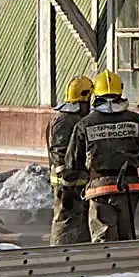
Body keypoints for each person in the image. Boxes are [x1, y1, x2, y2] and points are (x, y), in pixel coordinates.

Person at [63, 70, 139, 242]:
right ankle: (127, 259)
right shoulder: (136, 121)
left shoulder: (84, 125)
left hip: (100, 189)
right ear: (120, 91)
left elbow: (73, 163)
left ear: (96, 93)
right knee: (126, 239)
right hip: (130, 188)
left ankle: (107, 259)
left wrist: (67, 191)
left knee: (104, 241)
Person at [47, 75, 93, 245]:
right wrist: (67, 185)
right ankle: (59, 254)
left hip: (75, 183)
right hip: (68, 184)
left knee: (79, 225)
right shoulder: (66, 121)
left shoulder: (73, 119)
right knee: (65, 223)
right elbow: (59, 154)